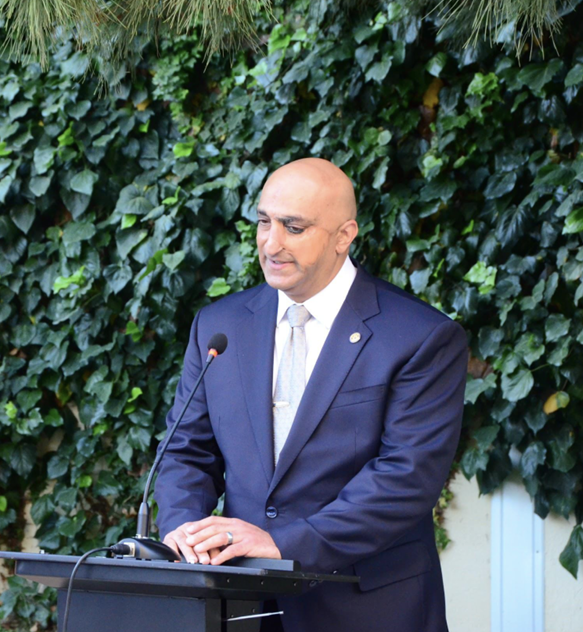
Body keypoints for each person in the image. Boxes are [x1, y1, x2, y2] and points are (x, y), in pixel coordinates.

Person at [153, 158, 467, 632]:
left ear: (344, 236)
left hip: (367, 609)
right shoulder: (220, 326)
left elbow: (407, 477)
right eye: (263, 221)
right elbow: (186, 449)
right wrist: (183, 531)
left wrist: (283, 544)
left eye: (293, 227)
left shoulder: (420, 337)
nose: (270, 243)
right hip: (238, 609)